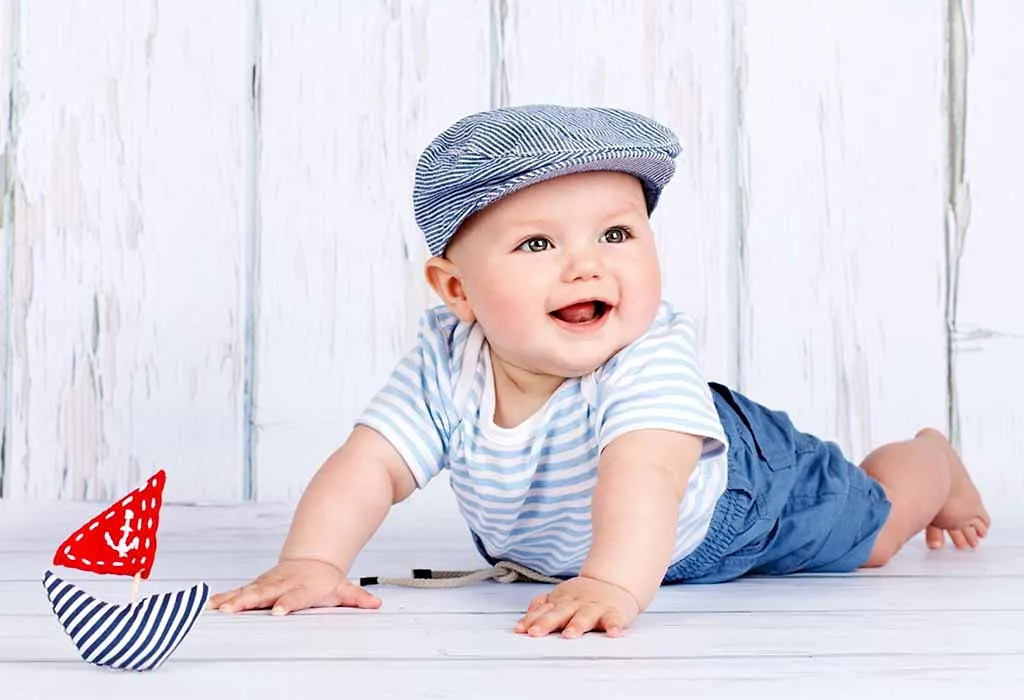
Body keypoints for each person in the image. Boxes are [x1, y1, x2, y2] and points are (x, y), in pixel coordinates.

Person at [209, 105, 990, 638]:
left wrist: (612, 584)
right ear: (457, 291)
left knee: (875, 531)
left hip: (738, 503)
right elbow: (366, 466)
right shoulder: (447, 364)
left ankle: (932, 462)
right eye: (539, 246)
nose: (586, 265)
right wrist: (312, 562)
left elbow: (644, 476)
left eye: (617, 233)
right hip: (594, 553)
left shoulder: (644, 356)